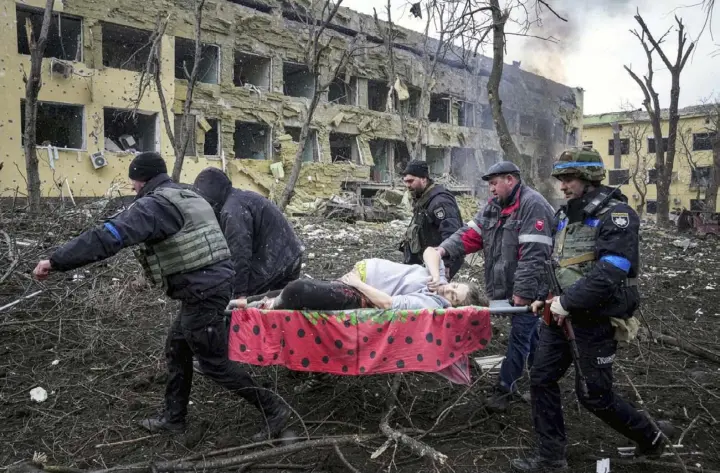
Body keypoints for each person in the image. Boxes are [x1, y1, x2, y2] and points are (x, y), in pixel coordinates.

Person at [32, 152, 291, 441]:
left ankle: (274, 408)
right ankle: (173, 418)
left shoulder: (154, 206)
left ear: (142, 180)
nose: (132, 189)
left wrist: (56, 261)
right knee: (177, 347)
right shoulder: (185, 193)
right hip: (210, 284)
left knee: (213, 362)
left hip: (203, 290)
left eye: (133, 183)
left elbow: (108, 237)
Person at [511, 148, 674, 471]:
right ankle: (550, 457)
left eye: (569, 179)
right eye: (561, 179)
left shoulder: (617, 216)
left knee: (594, 396)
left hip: (594, 319)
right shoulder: (567, 215)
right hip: (559, 316)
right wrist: (545, 297)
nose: (563, 186)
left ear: (589, 178)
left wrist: (567, 303)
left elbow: (611, 271)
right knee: (541, 378)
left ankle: (651, 438)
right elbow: (560, 265)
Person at [433, 160, 555, 412]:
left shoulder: (533, 206)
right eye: (489, 184)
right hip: (507, 287)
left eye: (494, 183)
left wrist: (522, 294)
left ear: (510, 180)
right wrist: (443, 249)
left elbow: (534, 256)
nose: (490, 189)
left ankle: (504, 388)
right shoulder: (493, 207)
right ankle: (542, 381)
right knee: (531, 336)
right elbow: (469, 235)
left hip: (532, 289)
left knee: (520, 337)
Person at [234, 247, 485, 311]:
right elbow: (432, 251)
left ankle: (259, 308)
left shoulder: (431, 304)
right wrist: (434, 275)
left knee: (296, 290)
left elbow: (387, 304)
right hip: (358, 279)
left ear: (453, 307)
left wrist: (357, 283)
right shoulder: (438, 282)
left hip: (360, 293)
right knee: (291, 290)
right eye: (453, 286)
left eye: (453, 297)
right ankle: (240, 302)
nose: (447, 291)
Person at [193, 167, 304, 299]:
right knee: (276, 307)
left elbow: (240, 253)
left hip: (276, 260)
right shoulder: (239, 198)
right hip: (289, 254)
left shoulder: (232, 211)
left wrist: (239, 294)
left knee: (239, 302)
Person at [400, 160, 464, 279]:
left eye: (411, 181)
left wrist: (446, 264)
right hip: (426, 261)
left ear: (424, 179)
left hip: (439, 262)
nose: (407, 185)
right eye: (405, 182)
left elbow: (452, 234)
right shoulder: (423, 199)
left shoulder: (440, 202)